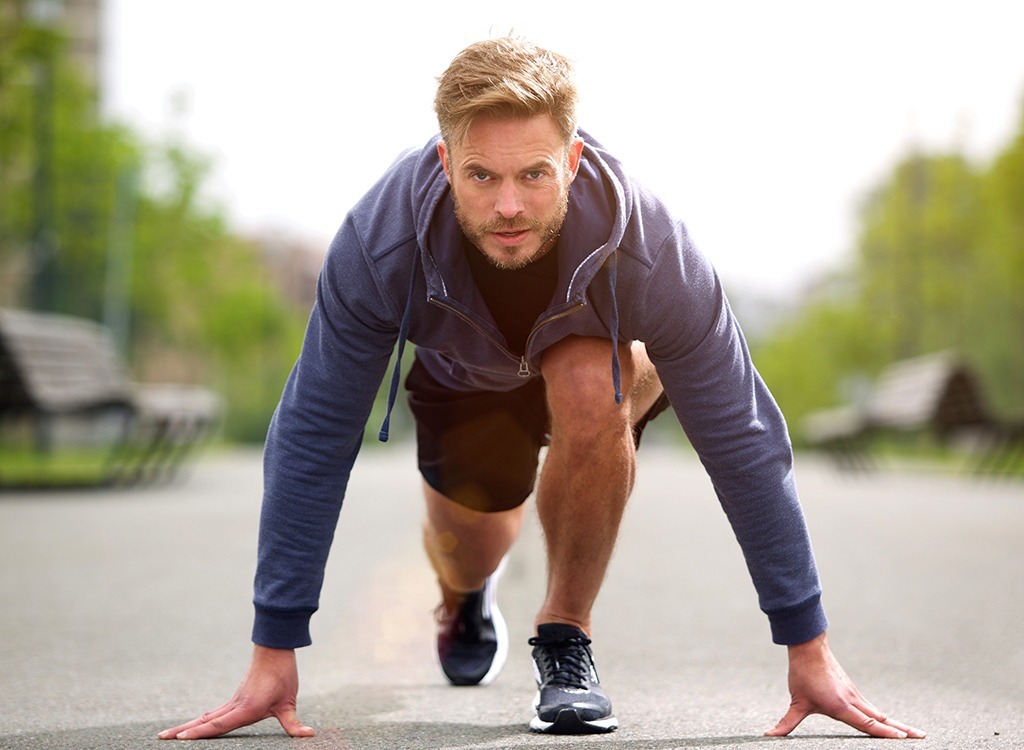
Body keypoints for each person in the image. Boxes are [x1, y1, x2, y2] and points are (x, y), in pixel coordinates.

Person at [159, 37, 924, 740]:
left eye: (534, 174)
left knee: (594, 382)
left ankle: (566, 639)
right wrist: (274, 646)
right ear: (443, 160)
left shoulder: (650, 244)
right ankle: (463, 594)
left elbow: (741, 433)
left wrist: (807, 642)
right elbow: (314, 431)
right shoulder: (379, 242)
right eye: (481, 176)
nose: (509, 207)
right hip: (464, 381)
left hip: (585, 358)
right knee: (474, 547)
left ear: (575, 158)